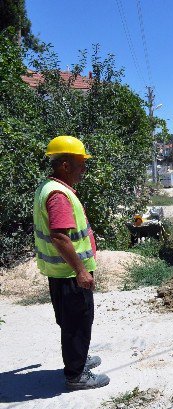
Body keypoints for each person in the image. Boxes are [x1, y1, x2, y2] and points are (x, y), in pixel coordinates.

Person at [33, 136, 110, 390]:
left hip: (60, 272)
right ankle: (76, 375)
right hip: (69, 273)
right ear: (65, 165)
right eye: (80, 163)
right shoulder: (58, 194)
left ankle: (78, 358)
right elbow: (59, 236)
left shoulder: (48, 187)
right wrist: (80, 271)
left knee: (71, 320)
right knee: (78, 322)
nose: (83, 169)